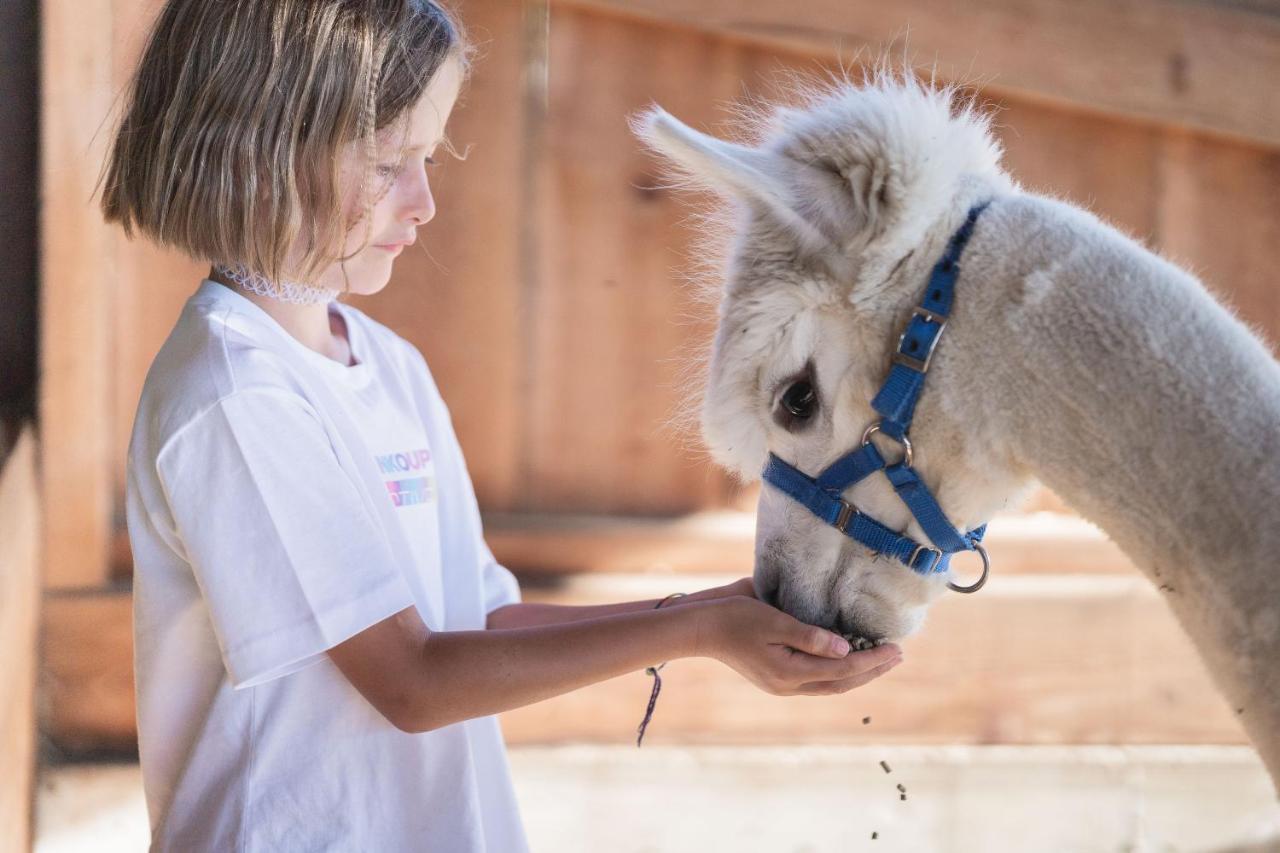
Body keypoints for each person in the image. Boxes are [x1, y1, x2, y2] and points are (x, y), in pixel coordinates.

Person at [99, 1, 904, 849]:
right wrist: (695, 630)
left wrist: (712, 610)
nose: (424, 202)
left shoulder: (382, 363)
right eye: (387, 163)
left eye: (429, 157)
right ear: (261, 148)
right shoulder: (235, 397)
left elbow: (478, 627)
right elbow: (411, 679)